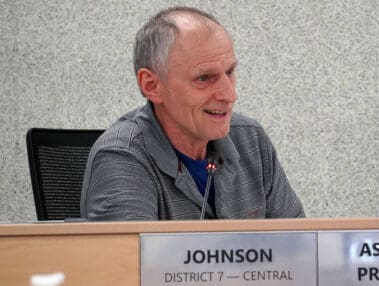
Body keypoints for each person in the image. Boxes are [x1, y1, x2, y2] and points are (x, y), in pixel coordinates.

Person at [80, 6, 305, 220]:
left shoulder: (250, 139)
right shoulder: (122, 157)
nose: (230, 95)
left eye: (230, 72)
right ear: (152, 85)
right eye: (204, 78)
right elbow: (127, 260)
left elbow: (301, 247)